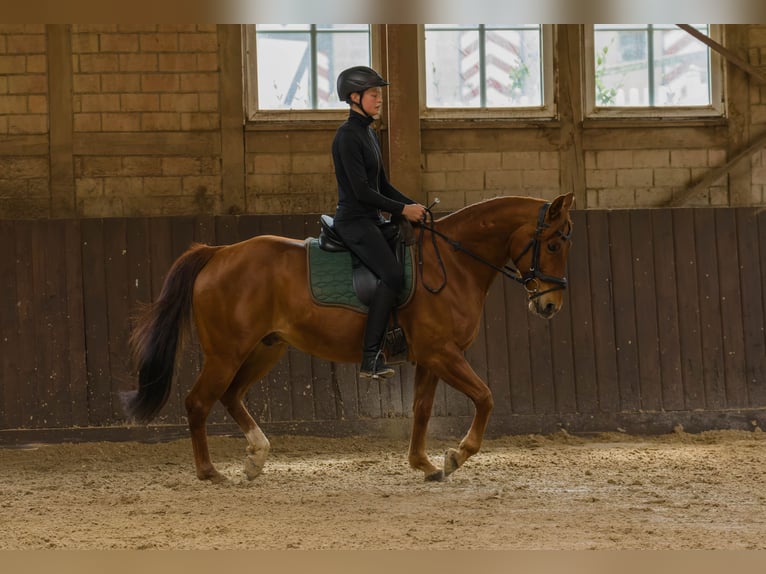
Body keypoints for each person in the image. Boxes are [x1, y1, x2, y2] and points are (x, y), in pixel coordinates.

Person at [332, 65, 427, 379]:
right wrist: (401, 210)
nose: (379, 99)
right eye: (374, 94)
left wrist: (411, 205)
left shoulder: (368, 134)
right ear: (354, 97)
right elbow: (361, 191)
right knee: (392, 275)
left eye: (379, 94)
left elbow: (382, 186)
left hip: (371, 219)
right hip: (354, 221)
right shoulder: (347, 137)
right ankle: (370, 357)